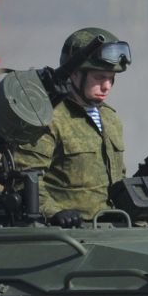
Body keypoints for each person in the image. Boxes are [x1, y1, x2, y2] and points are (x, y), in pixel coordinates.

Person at [21, 26, 130, 226]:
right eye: (99, 77)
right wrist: (54, 212)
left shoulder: (110, 118)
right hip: (70, 232)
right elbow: (26, 178)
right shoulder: (48, 118)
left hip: (113, 226)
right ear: (74, 74)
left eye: (111, 78)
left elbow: (118, 176)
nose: (107, 86)